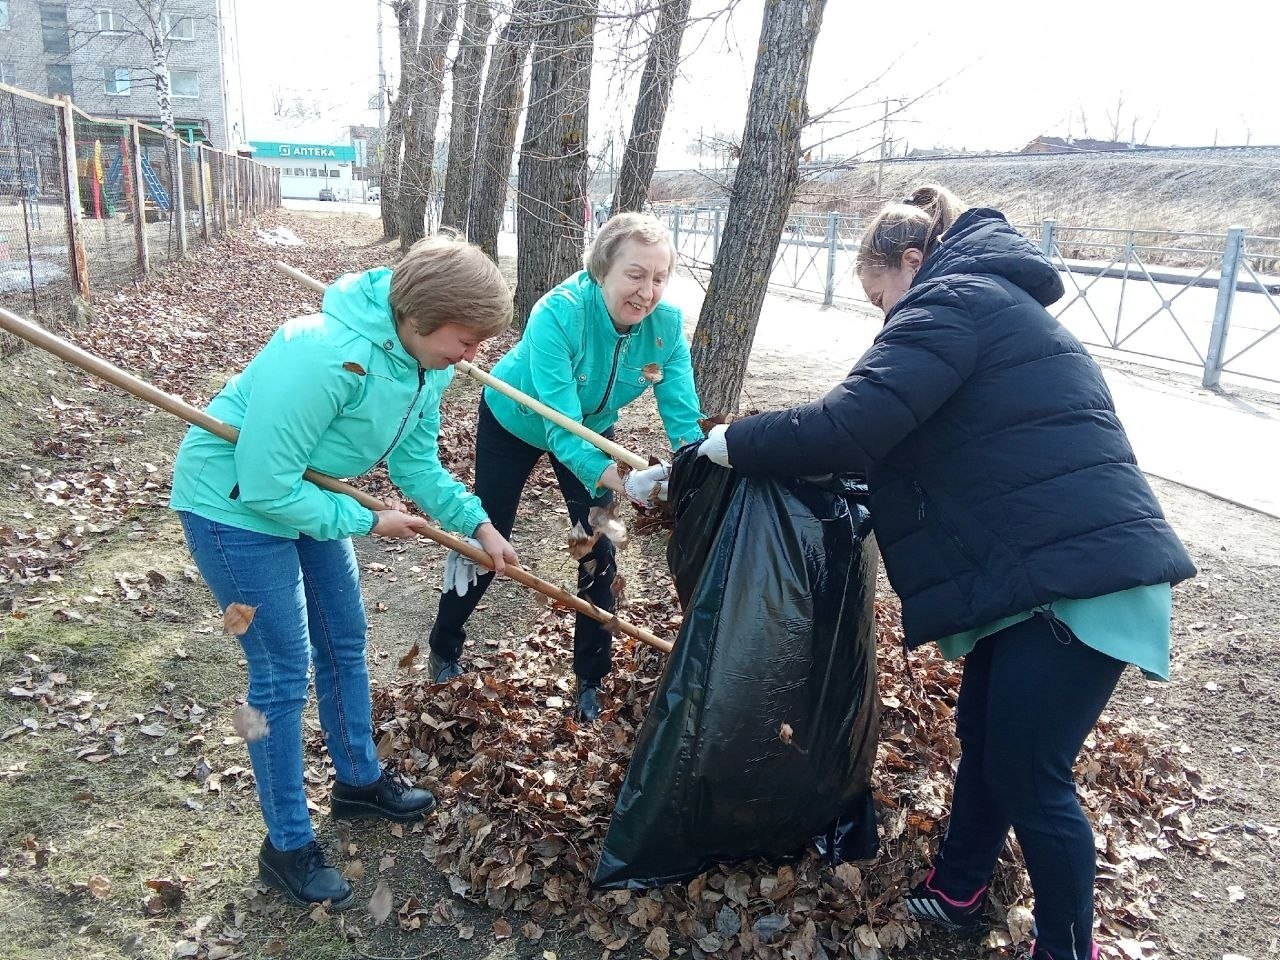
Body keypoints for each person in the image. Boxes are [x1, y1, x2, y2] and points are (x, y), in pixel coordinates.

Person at [697, 185, 1196, 960]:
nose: (882, 315)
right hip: (1042, 570)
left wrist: (733, 441)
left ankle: (1068, 950)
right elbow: (921, 445)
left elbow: (851, 425)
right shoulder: (981, 301)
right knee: (987, 740)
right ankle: (960, 890)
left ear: (911, 261)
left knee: (1033, 774)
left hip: (1080, 580)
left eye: (879, 295)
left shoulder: (951, 301)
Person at [170, 235, 518, 911]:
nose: (473, 356)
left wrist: (478, 524)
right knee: (279, 671)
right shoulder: (323, 355)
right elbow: (264, 482)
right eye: (467, 339)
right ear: (420, 318)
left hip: (307, 495)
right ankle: (287, 845)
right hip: (232, 504)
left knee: (345, 641)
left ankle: (357, 783)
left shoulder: (425, 366)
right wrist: (365, 522)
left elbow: (417, 466)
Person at [427, 212, 705, 721]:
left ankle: (590, 680)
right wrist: (624, 479)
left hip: (593, 426)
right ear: (603, 270)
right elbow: (561, 427)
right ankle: (444, 647)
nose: (647, 291)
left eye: (660, 277)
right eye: (635, 274)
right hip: (518, 418)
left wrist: (695, 463)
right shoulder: (558, 313)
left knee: (597, 545)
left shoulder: (664, 328)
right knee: (488, 535)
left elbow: (683, 414)